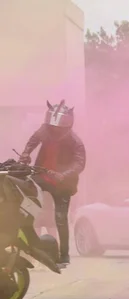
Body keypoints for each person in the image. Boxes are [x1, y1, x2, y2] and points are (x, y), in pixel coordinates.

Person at [19, 100, 86, 266]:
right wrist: (25, 155)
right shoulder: (45, 130)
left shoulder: (75, 141)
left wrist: (63, 175)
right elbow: (32, 141)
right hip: (40, 177)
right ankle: (32, 250)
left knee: (60, 219)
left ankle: (63, 255)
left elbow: (79, 163)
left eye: (58, 129)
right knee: (31, 212)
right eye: (51, 127)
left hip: (62, 184)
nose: (54, 131)